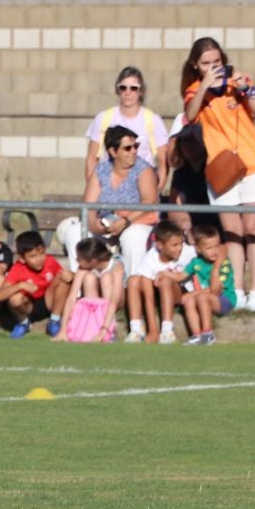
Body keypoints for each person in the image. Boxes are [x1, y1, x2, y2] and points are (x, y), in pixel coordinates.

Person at [181, 36, 255, 311]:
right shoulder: (195, 90)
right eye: (206, 63)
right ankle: (237, 289)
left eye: (217, 62)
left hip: (251, 163)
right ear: (196, 66)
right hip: (221, 168)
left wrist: (246, 91)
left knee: (253, 227)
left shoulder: (239, 82)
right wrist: (204, 87)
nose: (213, 67)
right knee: (232, 230)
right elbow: (191, 115)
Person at [84, 125, 158, 274]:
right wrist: (94, 225)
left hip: (135, 222)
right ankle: (82, 288)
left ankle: (132, 286)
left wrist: (126, 221)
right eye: (128, 148)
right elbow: (89, 204)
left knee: (132, 237)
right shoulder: (101, 170)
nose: (134, 151)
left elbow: (149, 200)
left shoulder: (144, 170)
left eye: (135, 146)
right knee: (76, 232)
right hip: (106, 224)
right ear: (113, 151)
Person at [83, 67, 171, 180]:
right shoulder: (103, 118)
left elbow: (163, 164)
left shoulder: (153, 120)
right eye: (123, 87)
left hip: (142, 188)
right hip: (108, 190)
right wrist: (93, 192)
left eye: (133, 88)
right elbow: (92, 159)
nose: (127, 92)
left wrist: (154, 192)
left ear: (141, 91)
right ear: (118, 90)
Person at [0, 228, 70, 338]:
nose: (39, 259)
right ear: (22, 258)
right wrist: (21, 285)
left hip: (48, 300)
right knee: (14, 298)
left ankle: (54, 321)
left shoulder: (50, 261)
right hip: (29, 306)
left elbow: (65, 277)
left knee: (63, 278)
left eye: (42, 253)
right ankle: (24, 323)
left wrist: (71, 275)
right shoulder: (18, 269)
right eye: (33, 256)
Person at [126, 220, 191, 344]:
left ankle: (167, 331)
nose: (180, 248)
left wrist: (215, 271)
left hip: (180, 294)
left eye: (181, 243)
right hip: (158, 294)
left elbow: (222, 249)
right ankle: (136, 330)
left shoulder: (188, 251)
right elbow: (148, 296)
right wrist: (153, 329)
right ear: (160, 245)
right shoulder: (150, 259)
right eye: (175, 245)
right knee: (133, 280)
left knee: (165, 280)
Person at [54, 237, 121, 342]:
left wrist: (104, 330)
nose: (77, 261)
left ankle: (110, 330)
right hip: (96, 300)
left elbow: (114, 301)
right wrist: (63, 330)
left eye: (79, 259)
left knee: (105, 277)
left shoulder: (116, 266)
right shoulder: (83, 268)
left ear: (93, 261)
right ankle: (91, 328)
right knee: (88, 277)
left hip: (116, 299)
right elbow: (71, 298)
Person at [181, 224, 236, 345]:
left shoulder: (224, 264)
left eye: (216, 246)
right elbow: (181, 275)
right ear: (199, 249)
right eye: (209, 248)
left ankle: (208, 333)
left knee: (199, 297)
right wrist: (165, 275)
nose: (214, 251)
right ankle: (196, 335)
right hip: (204, 297)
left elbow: (217, 289)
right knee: (189, 301)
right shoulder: (196, 262)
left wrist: (192, 294)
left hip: (224, 299)